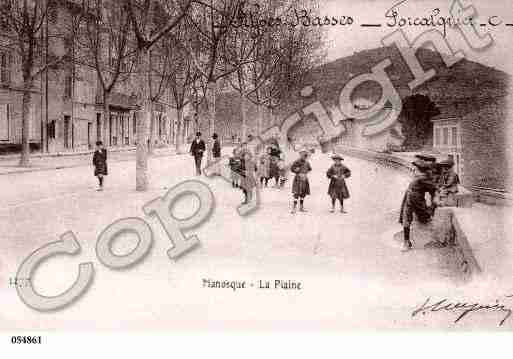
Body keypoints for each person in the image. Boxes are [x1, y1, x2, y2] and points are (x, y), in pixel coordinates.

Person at [398, 160, 437, 251]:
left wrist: (433, 205)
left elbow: (433, 190)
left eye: (415, 168)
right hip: (409, 199)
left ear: (419, 169)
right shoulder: (419, 177)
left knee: (423, 218)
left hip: (416, 200)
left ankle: (407, 242)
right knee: (406, 219)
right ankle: (406, 242)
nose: (413, 169)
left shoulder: (422, 178)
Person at [290, 148, 312, 213]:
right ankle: (294, 208)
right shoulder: (296, 161)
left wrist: (305, 173)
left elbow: (310, 169)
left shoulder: (307, 162)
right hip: (298, 179)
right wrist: (296, 170)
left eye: (305, 155)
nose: (303, 156)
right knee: (296, 193)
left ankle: (301, 207)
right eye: (302, 154)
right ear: (300, 155)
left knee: (303, 193)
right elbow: (292, 169)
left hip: (304, 179)